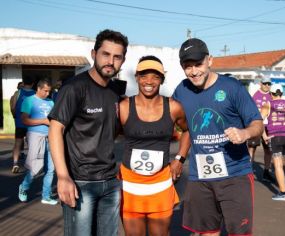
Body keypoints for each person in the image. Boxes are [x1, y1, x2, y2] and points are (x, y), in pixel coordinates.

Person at [173, 38, 263, 236]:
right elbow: (181, 126)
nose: (194, 71)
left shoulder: (232, 87)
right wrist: (178, 158)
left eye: (198, 64)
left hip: (235, 174)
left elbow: (258, 124)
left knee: (238, 232)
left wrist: (244, 133)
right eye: (188, 66)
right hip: (200, 176)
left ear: (210, 60)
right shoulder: (181, 90)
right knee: (207, 233)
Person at [48, 29, 128, 236]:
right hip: (80, 182)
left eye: (117, 57)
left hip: (110, 182)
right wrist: (63, 176)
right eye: (105, 54)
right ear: (94, 54)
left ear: (123, 60)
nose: (110, 61)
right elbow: (56, 129)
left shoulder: (115, 92)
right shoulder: (75, 87)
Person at [119, 55, 190, 236]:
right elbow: (106, 136)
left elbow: (187, 131)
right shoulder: (124, 107)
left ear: (162, 80)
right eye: (144, 76)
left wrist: (179, 159)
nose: (149, 81)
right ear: (137, 78)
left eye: (155, 76)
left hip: (160, 184)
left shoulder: (174, 107)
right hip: (130, 185)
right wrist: (108, 164)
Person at [18, 78, 57, 205]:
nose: (47, 93)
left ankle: (46, 196)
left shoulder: (51, 102)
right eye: (45, 91)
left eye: (49, 91)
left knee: (50, 169)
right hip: (35, 135)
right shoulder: (29, 100)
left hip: (50, 137)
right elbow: (25, 120)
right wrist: (43, 121)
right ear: (38, 88)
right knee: (36, 166)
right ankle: (24, 187)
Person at [261, 84, 285, 201]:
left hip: (275, 136)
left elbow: (260, 121)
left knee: (278, 165)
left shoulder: (268, 104)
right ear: (281, 93)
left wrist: (265, 136)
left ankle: (283, 193)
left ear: (271, 94)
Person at [247, 76, 273, 182]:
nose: (267, 86)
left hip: (268, 126)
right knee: (252, 148)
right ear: (260, 84)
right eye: (265, 83)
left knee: (268, 150)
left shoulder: (272, 96)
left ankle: (266, 172)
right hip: (256, 125)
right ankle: (249, 171)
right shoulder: (255, 95)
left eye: (269, 84)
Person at [10, 77, 35, 173]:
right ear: (33, 84)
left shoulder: (18, 93)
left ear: (24, 83)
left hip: (20, 122)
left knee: (17, 144)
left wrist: (15, 116)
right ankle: (31, 164)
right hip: (31, 123)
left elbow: (13, 107)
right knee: (31, 144)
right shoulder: (35, 93)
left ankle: (15, 164)